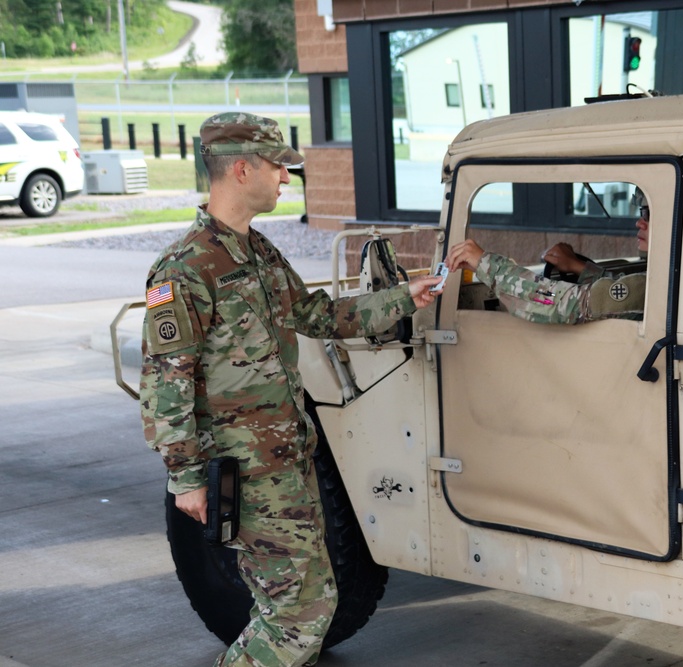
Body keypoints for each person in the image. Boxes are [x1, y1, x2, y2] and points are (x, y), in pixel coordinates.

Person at [139, 112, 441, 667]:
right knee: (298, 618)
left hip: (288, 459)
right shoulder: (185, 269)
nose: (286, 178)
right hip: (244, 470)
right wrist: (184, 476)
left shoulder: (258, 252)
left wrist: (404, 299)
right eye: (280, 167)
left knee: (310, 603)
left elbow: (317, 314)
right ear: (241, 167)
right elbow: (167, 378)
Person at [445, 188, 649, 324]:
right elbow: (619, 294)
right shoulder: (666, 280)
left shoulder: (655, 285)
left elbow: (560, 301)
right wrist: (579, 267)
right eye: (641, 213)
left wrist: (489, 266)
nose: (639, 223)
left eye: (649, 214)